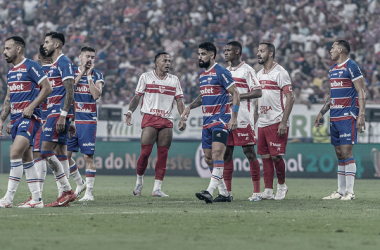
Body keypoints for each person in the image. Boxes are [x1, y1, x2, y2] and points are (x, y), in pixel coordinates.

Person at [179, 42, 240, 203]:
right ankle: (224, 193)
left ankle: (209, 191)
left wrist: (234, 117)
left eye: (203, 54)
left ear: (212, 55)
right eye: (199, 54)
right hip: (206, 121)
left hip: (221, 119)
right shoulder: (202, 74)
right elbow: (203, 96)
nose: (200, 57)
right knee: (208, 158)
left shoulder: (221, 71)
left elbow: (236, 94)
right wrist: (189, 107)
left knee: (217, 154)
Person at [0, 36, 52, 208]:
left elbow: (47, 87)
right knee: (26, 159)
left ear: (18, 49)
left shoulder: (31, 66)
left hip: (29, 118)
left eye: (7, 48)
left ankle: (8, 198)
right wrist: (2, 119)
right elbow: (9, 97)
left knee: (14, 152)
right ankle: (37, 199)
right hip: (15, 120)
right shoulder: (11, 71)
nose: (4, 52)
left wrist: (31, 107)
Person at [124, 52, 185, 197]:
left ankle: (157, 188)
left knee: (163, 155)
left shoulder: (174, 80)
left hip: (167, 119)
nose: (168, 63)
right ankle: (139, 182)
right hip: (150, 117)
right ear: (157, 63)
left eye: (169, 61)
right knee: (145, 153)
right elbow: (137, 97)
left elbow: (179, 100)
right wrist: (130, 111)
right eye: (165, 61)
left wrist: (182, 118)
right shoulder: (145, 77)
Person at [314, 40, 366, 200]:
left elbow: (361, 91)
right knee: (339, 154)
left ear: (341, 49)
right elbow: (332, 94)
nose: (330, 51)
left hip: (347, 116)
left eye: (333, 48)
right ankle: (340, 191)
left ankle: (350, 192)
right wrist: (322, 112)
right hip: (334, 116)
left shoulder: (351, 66)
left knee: (346, 152)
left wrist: (361, 114)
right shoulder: (332, 69)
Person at [217, 41, 262, 202]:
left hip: (243, 119)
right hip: (226, 119)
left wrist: (237, 96)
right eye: (225, 50)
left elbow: (258, 92)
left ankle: (257, 192)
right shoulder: (224, 71)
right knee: (227, 155)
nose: (226, 52)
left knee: (249, 153)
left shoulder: (247, 70)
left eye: (229, 50)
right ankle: (228, 193)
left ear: (238, 52)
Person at [40, 31, 77, 207]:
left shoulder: (63, 61)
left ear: (56, 45)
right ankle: (64, 197)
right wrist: (72, 119)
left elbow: (70, 91)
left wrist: (64, 116)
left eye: (47, 42)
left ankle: (67, 190)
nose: (44, 45)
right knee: (62, 153)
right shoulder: (55, 63)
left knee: (45, 151)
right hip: (55, 114)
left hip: (57, 114)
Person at [255, 42, 294, 200]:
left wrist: (284, 122)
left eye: (262, 51)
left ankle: (282, 186)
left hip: (276, 120)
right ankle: (268, 190)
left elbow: (290, 97)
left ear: (270, 54)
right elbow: (257, 101)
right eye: (258, 51)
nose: (258, 53)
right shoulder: (258, 75)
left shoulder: (280, 72)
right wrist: (254, 121)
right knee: (265, 157)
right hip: (262, 122)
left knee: (276, 156)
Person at [68, 46, 104, 201]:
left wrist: (89, 76)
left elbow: (96, 95)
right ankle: (79, 183)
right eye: (87, 56)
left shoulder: (97, 75)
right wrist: (82, 72)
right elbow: (69, 90)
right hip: (72, 121)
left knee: (88, 157)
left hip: (88, 120)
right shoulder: (72, 72)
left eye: (92, 57)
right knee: (64, 156)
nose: (90, 59)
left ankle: (89, 193)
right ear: (80, 57)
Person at [17, 44, 52, 207]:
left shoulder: (37, 72)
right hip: (48, 116)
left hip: (41, 117)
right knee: (41, 154)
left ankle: (37, 197)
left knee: (39, 154)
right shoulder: (45, 71)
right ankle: (38, 196)